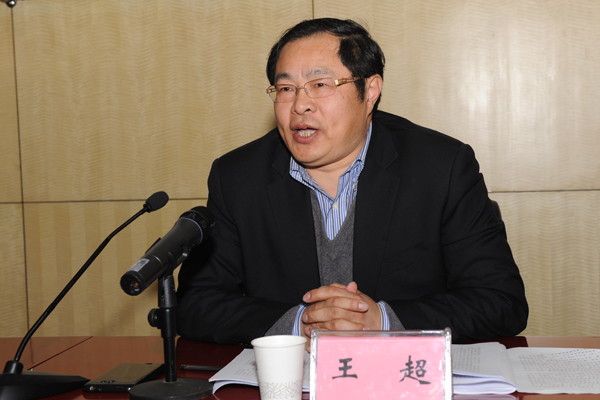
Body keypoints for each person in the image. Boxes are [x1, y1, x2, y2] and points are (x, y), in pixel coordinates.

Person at [176, 18, 528, 348]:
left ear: (370, 90)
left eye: (320, 85)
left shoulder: (440, 167)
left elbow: (501, 301)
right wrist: (300, 323)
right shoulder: (238, 177)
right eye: (286, 88)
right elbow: (195, 304)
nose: (300, 105)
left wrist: (381, 320)